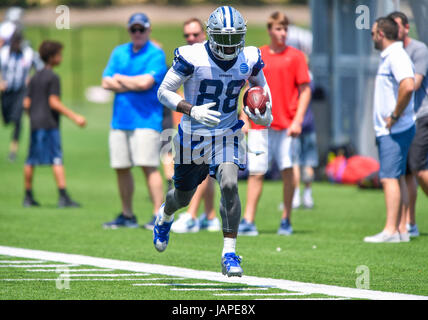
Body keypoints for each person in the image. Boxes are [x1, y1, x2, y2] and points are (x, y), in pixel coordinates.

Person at [155, 6, 273, 277]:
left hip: (227, 132)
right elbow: (164, 91)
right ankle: (165, 214)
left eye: (235, 38)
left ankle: (229, 252)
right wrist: (190, 108)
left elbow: (262, 92)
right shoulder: (192, 55)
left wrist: (264, 114)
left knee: (230, 183)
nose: (231, 45)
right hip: (193, 136)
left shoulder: (250, 56)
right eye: (225, 38)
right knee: (182, 197)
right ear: (211, 35)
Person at [239, 12, 311, 236]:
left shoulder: (297, 56)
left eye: (285, 29)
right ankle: (248, 220)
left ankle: (286, 219)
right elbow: (246, 88)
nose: (282, 33)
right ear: (270, 30)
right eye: (278, 29)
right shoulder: (257, 54)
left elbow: (305, 90)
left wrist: (298, 120)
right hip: (260, 125)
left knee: (288, 171)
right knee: (256, 173)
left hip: (287, 126)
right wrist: (244, 118)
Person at [101, 13, 167, 229]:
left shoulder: (156, 54)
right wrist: (131, 82)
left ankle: (158, 214)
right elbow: (105, 82)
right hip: (120, 120)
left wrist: (120, 79)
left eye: (141, 29)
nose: (137, 33)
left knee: (148, 166)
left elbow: (146, 83)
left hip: (147, 120)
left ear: (148, 30)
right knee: (121, 167)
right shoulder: (119, 52)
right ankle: (127, 214)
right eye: (133, 30)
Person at [364, 17, 415, 243]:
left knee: (389, 178)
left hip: (394, 130)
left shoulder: (396, 56)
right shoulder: (392, 55)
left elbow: (408, 85)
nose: (372, 37)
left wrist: (395, 115)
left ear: (381, 34)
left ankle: (391, 230)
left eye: (373, 32)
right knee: (399, 177)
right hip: (394, 129)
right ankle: (401, 228)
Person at [170, 17, 220, 234]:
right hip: (192, 122)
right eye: (187, 35)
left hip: (213, 121)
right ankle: (209, 216)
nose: (191, 39)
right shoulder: (187, 59)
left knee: (201, 169)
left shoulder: (213, 57)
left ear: (205, 34)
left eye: (195, 34)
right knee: (204, 171)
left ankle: (191, 216)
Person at [22, 40, 86, 207]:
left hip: (35, 124)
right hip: (49, 124)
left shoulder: (34, 77)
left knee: (31, 159)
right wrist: (75, 116)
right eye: (60, 54)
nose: (61, 57)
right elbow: (54, 102)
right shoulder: (53, 77)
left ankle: (28, 196)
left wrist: (33, 116)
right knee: (56, 158)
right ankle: (63, 196)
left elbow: (26, 103)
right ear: (52, 57)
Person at [388, 11, 428, 238]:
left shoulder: (419, 50)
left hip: (420, 115)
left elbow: (414, 83)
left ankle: (408, 223)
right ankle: (408, 223)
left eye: (397, 27)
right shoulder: (391, 52)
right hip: (402, 118)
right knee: (407, 173)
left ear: (405, 27)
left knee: (420, 170)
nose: (394, 32)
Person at [1, 27, 43, 162]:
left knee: (18, 119)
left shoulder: (28, 53)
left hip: (21, 91)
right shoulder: (4, 53)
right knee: (7, 120)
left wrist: (32, 78)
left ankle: (13, 151)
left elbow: (40, 67)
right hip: (7, 92)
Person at [291, 76, 318, 209]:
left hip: (296, 124)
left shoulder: (297, 78)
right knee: (308, 162)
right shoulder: (310, 78)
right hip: (309, 125)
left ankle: (296, 196)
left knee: (295, 162)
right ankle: (307, 196)